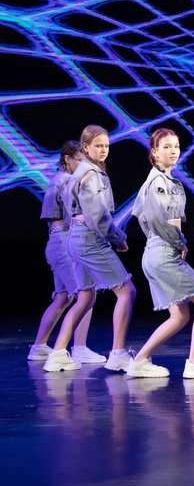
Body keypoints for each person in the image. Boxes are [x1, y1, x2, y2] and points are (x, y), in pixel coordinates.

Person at [128, 128, 194, 379]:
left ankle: (140, 360)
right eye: (166, 147)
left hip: (156, 251)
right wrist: (178, 242)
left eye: (176, 146)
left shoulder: (166, 180)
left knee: (180, 315)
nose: (173, 151)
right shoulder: (158, 182)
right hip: (163, 252)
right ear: (154, 153)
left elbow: (144, 217)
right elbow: (156, 219)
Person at [43, 125, 136, 372]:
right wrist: (119, 238)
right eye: (98, 146)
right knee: (126, 291)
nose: (103, 150)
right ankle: (118, 354)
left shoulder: (80, 172)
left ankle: (58, 354)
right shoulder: (91, 174)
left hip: (75, 237)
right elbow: (98, 217)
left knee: (85, 296)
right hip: (88, 238)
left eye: (106, 145)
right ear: (85, 147)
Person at [28, 141, 106, 364]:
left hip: (56, 242)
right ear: (67, 159)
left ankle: (38, 348)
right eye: (80, 161)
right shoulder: (66, 181)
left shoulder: (59, 180)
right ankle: (79, 348)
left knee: (62, 298)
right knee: (86, 295)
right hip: (64, 242)